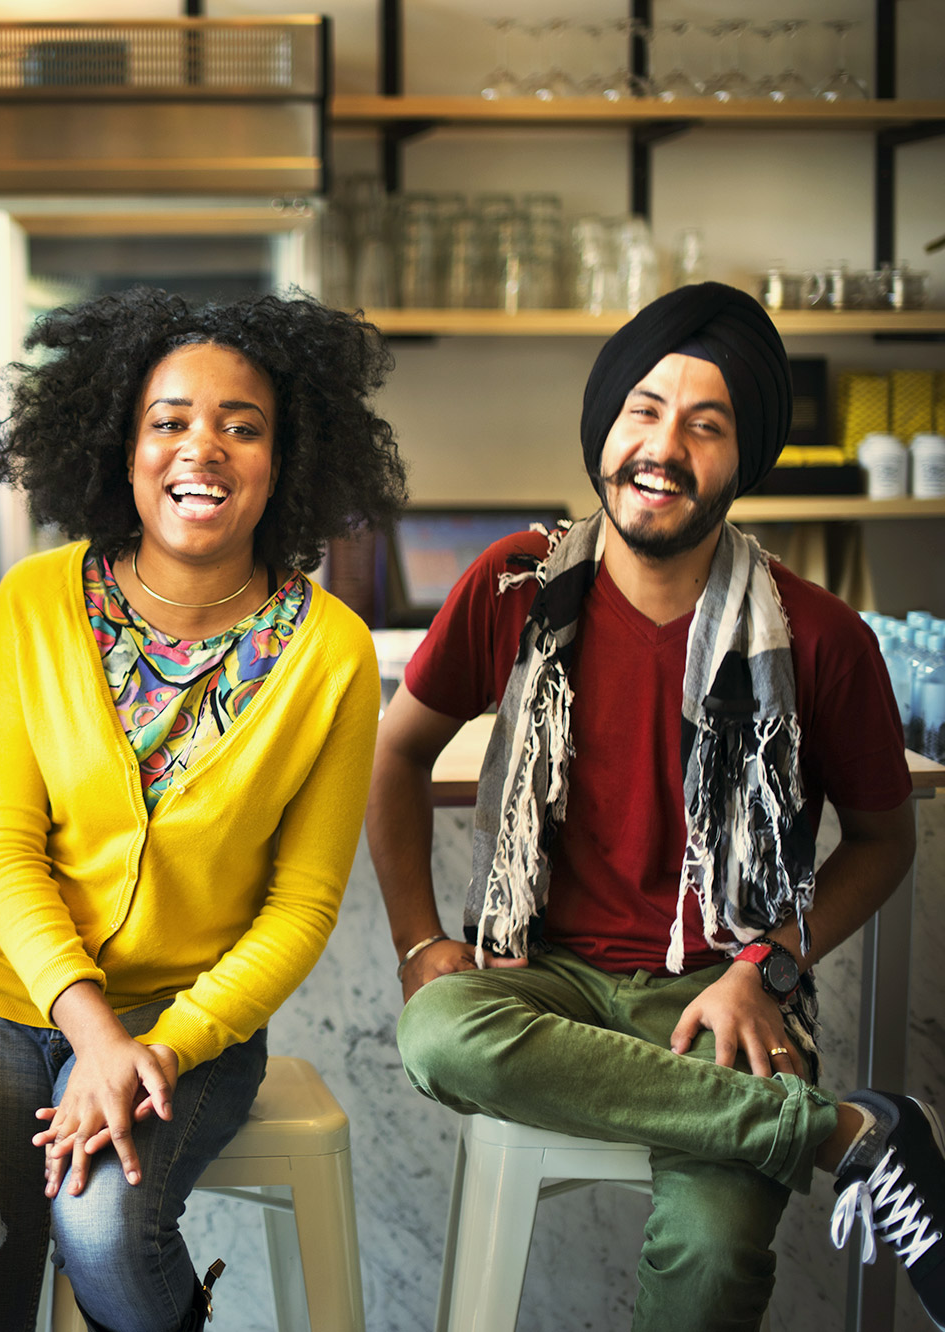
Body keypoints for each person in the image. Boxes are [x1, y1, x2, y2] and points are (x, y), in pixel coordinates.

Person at [372, 282, 939, 1330]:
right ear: (604, 426)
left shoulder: (817, 637)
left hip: (724, 992)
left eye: (704, 423)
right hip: (542, 983)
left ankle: (788, 1118)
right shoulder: (512, 586)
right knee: (438, 1033)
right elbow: (396, 752)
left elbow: (879, 839)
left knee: (714, 1255)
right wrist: (416, 942)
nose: (661, 446)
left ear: (742, 456)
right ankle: (832, 1134)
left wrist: (759, 969)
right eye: (641, 409)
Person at [0, 288, 407, 1332]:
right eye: (170, 421)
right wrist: (88, 1029)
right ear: (118, 444)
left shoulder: (327, 652)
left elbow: (301, 904)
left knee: (102, 1230)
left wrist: (161, 1045)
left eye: (243, 426)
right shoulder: (36, 600)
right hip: (11, 1008)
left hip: (185, 1023)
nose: (205, 449)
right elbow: (6, 848)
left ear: (285, 460)